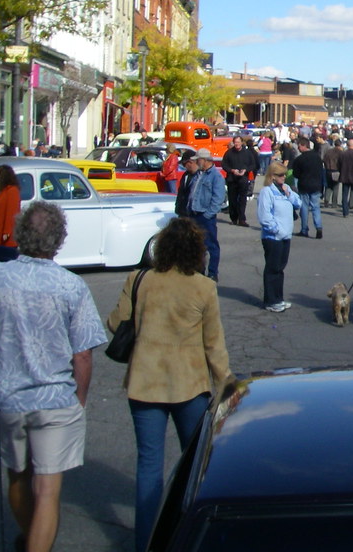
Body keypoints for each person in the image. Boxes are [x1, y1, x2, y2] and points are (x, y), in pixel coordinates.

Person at [0, 201, 106, 552]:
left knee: (16, 475)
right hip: (54, 397)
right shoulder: (70, 286)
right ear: (59, 239)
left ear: (20, 235)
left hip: (8, 395)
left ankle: (30, 536)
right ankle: (37, 542)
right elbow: (82, 353)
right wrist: (80, 398)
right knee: (48, 488)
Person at [106, 217, 230, 552]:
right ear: (197, 252)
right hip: (189, 384)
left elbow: (114, 322)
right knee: (194, 465)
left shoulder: (140, 279)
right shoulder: (204, 287)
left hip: (145, 382)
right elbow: (213, 345)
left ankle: (147, 543)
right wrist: (227, 386)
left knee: (149, 465)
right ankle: (192, 536)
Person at [257, 161, 302, 312]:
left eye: (284, 174)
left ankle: (278, 298)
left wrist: (289, 194)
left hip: (285, 235)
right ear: (273, 176)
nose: (283, 177)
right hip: (273, 237)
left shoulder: (285, 188)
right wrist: (276, 229)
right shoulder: (267, 192)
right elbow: (264, 216)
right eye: (280, 175)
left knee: (280, 269)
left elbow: (298, 203)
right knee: (272, 269)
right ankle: (270, 300)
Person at [188, 148, 226, 281]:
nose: (196, 162)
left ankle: (212, 272)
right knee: (197, 245)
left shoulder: (216, 176)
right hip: (194, 214)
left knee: (211, 245)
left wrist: (207, 215)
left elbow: (218, 199)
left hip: (205, 216)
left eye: (197, 159)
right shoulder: (199, 174)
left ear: (204, 160)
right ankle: (199, 270)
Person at [290, 137, 324, 239]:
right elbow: (321, 172)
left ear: (304, 145)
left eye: (299, 145)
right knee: (315, 207)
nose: (298, 148)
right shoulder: (317, 157)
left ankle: (304, 229)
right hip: (316, 185)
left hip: (304, 185)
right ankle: (318, 227)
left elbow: (295, 174)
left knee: (304, 207)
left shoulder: (299, 159)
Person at [222, 136, 257, 226]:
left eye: (238, 142)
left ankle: (242, 219)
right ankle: (234, 218)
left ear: (242, 142)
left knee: (242, 200)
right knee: (232, 199)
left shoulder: (247, 153)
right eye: (235, 142)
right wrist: (232, 170)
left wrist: (246, 170)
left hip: (243, 179)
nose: (237, 144)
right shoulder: (229, 153)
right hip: (232, 179)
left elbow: (253, 165)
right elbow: (224, 165)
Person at [174, 151, 199, 217]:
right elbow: (181, 192)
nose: (184, 166)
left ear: (191, 162)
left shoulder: (201, 176)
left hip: (195, 212)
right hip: (183, 211)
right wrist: (178, 207)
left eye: (184, 164)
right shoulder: (185, 175)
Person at [322, 139, 343, 207]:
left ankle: (326, 200)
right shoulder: (340, 153)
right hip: (336, 170)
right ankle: (334, 203)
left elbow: (324, 160)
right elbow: (342, 162)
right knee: (335, 187)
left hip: (328, 170)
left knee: (328, 186)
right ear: (340, 145)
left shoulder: (329, 151)